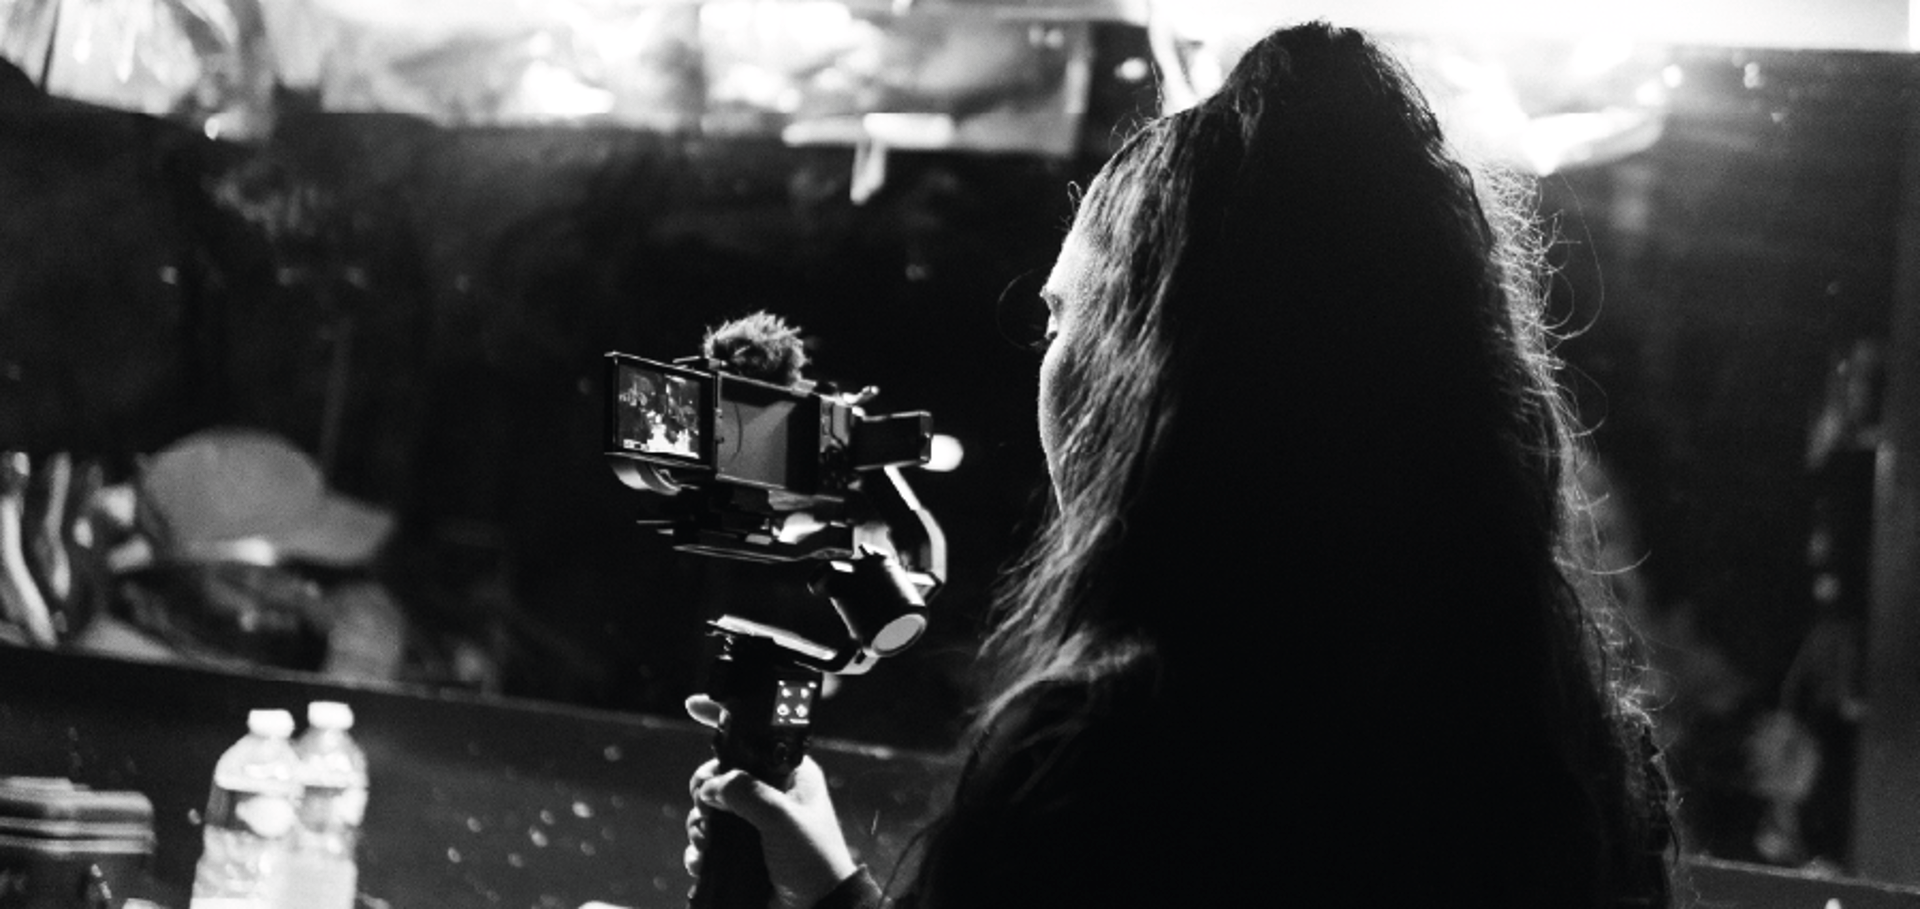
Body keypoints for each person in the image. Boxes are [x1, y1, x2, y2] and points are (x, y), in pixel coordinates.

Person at [683, 21, 1675, 908]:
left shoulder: (1103, 762)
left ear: (1155, 365)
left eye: (1064, 316)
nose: (1051, 359)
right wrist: (828, 887)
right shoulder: (1570, 752)